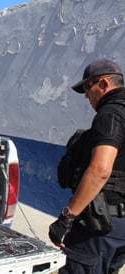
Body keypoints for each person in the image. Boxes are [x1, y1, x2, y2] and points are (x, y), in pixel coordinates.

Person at [49, 59, 125, 273]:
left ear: (103, 84)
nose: (85, 95)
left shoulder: (110, 114)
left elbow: (100, 170)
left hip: (100, 227)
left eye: (87, 87)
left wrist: (67, 217)